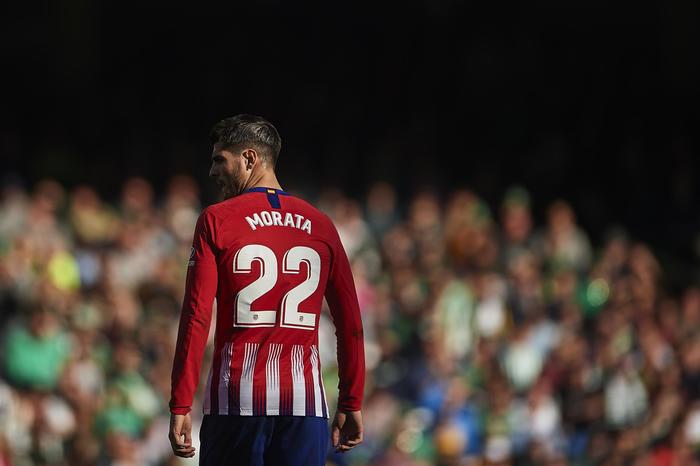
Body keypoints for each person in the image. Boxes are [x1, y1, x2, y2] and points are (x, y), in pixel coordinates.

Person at [168, 114, 365, 466]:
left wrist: (181, 402)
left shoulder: (217, 219)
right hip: (305, 405)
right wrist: (351, 401)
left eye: (219, 160)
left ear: (248, 159)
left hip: (236, 402)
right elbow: (350, 322)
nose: (213, 172)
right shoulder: (320, 224)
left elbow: (197, 315)